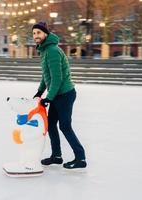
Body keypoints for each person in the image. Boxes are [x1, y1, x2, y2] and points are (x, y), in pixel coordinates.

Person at [32, 21, 87, 169]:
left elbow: (57, 78)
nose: (36, 35)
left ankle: (80, 158)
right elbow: (46, 75)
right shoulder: (45, 50)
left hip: (65, 94)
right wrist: (40, 91)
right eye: (34, 33)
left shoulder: (52, 51)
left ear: (45, 34)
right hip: (57, 94)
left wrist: (48, 98)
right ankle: (56, 156)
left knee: (65, 127)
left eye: (38, 32)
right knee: (51, 125)